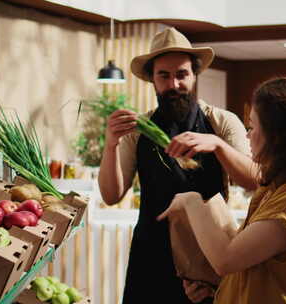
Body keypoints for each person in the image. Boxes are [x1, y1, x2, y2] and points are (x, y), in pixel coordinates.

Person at [98, 27, 257, 303]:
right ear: (152, 80)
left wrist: (218, 146)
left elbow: (254, 180)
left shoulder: (222, 122)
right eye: (164, 75)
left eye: (182, 74)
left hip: (207, 254)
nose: (174, 85)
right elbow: (112, 196)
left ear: (195, 76)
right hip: (150, 255)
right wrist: (110, 144)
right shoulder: (139, 130)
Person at [159, 77, 286, 304]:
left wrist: (192, 201)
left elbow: (225, 260)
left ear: (277, 136)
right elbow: (256, 265)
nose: (247, 134)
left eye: (253, 126)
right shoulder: (276, 186)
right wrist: (216, 287)